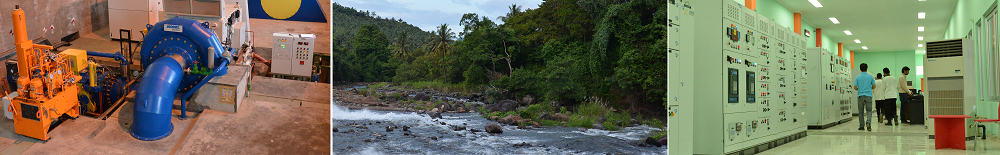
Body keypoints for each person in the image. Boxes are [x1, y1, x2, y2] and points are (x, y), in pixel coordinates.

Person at [854, 63, 877, 131]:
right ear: (867, 68)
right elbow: (874, 86)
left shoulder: (857, 77)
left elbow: (855, 87)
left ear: (860, 69)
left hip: (860, 95)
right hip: (868, 95)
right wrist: (868, 88)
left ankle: (861, 126)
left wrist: (860, 89)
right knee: (869, 111)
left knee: (861, 111)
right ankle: (868, 123)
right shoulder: (870, 77)